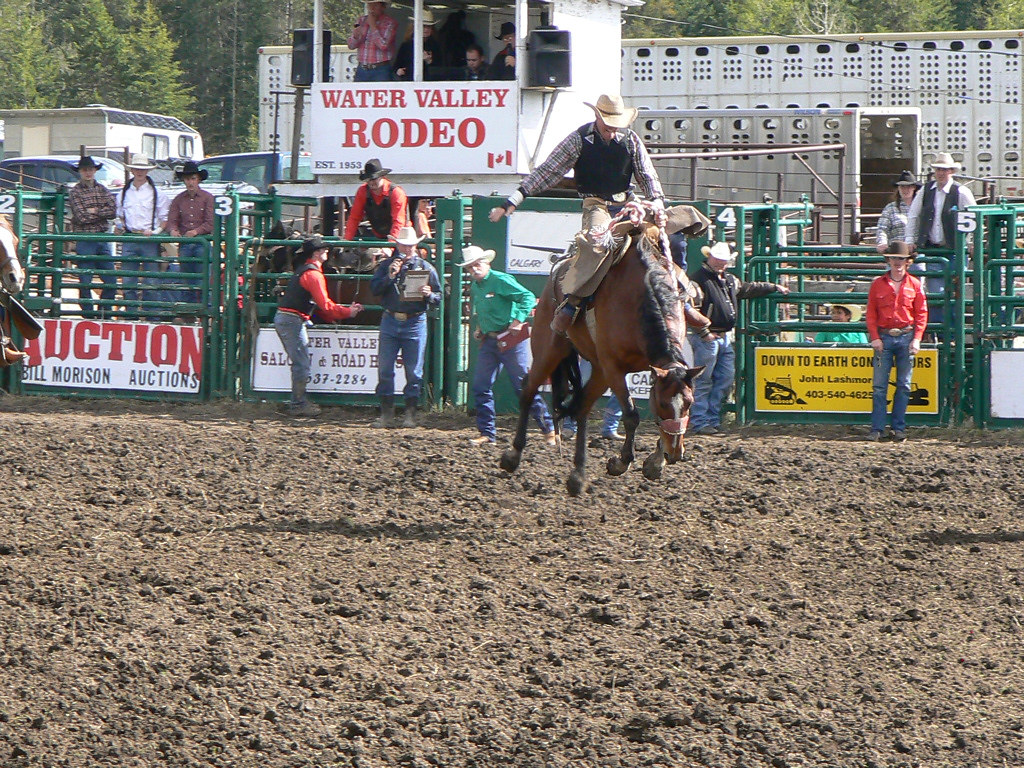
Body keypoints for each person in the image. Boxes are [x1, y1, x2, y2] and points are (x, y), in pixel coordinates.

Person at [488, 93, 666, 335]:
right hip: (597, 206)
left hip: (629, 203)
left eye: (617, 126)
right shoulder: (579, 140)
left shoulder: (631, 140)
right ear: (597, 117)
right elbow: (549, 170)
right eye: (608, 126)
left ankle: (679, 295)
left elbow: (647, 174)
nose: (612, 132)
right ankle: (572, 303)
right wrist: (516, 197)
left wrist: (656, 202)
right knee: (596, 243)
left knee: (678, 224)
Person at [458, 245, 558, 446]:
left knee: (523, 387)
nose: (474, 269)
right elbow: (485, 310)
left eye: (477, 264)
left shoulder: (500, 280)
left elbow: (528, 297)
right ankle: (487, 433)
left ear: (486, 263)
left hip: (511, 340)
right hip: (490, 340)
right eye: (470, 267)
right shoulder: (478, 286)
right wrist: (480, 328)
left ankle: (549, 429)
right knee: (480, 386)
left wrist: (518, 320)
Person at [689, 241, 790, 436]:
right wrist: (704, 332)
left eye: (723, 261)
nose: (720, 264)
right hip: (708, 337)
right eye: (718, 260)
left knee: (723, 379)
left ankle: (710, 419)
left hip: (719, 336)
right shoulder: (699, 280)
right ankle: (702, 421)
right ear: (709, 257)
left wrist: (771, 287)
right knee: (706, 380)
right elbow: (692, 310)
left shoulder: (726, 279)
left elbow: (747, 288)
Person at [275, 236, 363, 417]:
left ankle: (298, 401)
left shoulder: (304, 271)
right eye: (324, 250)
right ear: (317, 253)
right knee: (302, 363)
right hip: (292, 320)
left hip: (289, 318)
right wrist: (348, 312)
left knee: (301, 362)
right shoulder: (314, 275)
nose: (327, 252)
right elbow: (326, 305)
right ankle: (298, 403)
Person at [369, 225, 441, 428]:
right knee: (385, 369)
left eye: (410, 246)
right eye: (404, 245)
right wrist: (390, 276)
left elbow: (440, 297)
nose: (407, 249)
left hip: (414, 320)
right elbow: (374, 288)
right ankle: (387, 414)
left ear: (415, 246)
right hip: (392, 319)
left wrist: (429, 294)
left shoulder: (426, 268)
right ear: (398, 244)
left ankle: (410, 414)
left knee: (414, 371)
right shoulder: (387, 266)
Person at [865, 242, 928, 442]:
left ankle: (897, 427)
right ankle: (878, 428)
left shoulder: (915, 284)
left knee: (904, 385)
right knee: (880, 386)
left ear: (908, 262)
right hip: (884, 336)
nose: (897, 262)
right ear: (889, 260)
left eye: (901, 259)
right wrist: (875, 337)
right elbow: (871, 314)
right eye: (894, 258)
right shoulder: (877, 284)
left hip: (906, 335)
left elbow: (921, 314)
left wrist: (917, 339)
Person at [904, 152, 977, 322]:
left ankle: (949, 333)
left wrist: (971, 242)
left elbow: (974, 218)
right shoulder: (925, 191)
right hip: (933, 249)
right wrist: (910, 240)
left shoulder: (961, 192)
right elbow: (913, 215)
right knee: (937, 294)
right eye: (938, 169)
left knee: (953, 293)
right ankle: (942, 334)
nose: (940, 173)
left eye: (944, 170)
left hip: (954, 250)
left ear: (951, 171)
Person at [115, 153, 171, 318]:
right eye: (137, 168)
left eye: (142, 169)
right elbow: (120, 216)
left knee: (151, 282)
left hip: (149, 240)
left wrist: (155, 233)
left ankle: (151, 317)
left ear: (147, 171)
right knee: (128, 282)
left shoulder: (158, 194)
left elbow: (164, 220)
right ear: (132, 170)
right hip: (131, 238)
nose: (139, 172)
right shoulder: (123, 194)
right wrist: (121, 227)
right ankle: (132, 316)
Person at [67, 156, 117, 318]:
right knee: (85, 280)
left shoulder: (102, 189)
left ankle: (105, 312)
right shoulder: (75, 192)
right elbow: (81, 216)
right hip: (86, 238)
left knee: (111, 280)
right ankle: (89, 313)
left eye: (90, 169)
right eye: (85, 170)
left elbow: (113, 211)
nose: (88, 172)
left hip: (101, 238)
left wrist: (93, 211)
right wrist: (100, 212)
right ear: (80, 172)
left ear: (95, 171)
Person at [167, 160, 215, 305]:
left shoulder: (208, 198)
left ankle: (205, 308)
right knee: (187, 279)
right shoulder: (178, 199)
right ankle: (190, 310)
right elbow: (172, 219)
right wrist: (173, 229)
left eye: (193, 178)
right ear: (184, 180)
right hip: (186, 244)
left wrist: (196, 231)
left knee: (203, 278)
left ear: (198, 179)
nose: (190, 182)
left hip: (203, 243)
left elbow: (211, 222)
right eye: (187, 179)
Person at [343, 158, 408, 243]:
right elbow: (354, 218)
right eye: (368, 179)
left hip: (402, 238)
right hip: (377, 236)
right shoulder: (363, 191)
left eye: (373, 179)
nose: (371, 182)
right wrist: (347, 241)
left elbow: (398, 221)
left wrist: (390, 245)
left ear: (381, 177)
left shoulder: (396, 192)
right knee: (365, 253)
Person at [347, 0, 397, 82]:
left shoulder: (389, 23)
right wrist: (355, 37)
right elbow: (351, 46)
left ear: (383, 7)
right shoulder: (361, 20)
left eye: (375, 5)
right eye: (369, 5)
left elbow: (383, 45)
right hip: (362, 68)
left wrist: (373, 25)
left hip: (380, 69)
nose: (372, 8)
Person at [875, 170, 921, 253]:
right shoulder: (890, 208)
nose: (905, 189)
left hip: (916, 254)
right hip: (895, 253)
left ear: (914, 188)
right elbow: (882, 229)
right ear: (898, 188)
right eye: (902, 186)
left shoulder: (921, 208)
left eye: (908, 186)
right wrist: (882, 243)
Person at [392, 9, 441, 80]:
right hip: (408, 82)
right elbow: (396, 65)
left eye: (429, 27)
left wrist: (429, 62)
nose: (426, 29)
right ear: (416, 27)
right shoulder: (406, 45)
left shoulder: (435, 45)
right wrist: (398, 71)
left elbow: (441, 69)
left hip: (430, 85)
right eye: (423, 26)